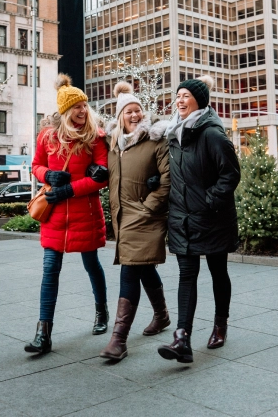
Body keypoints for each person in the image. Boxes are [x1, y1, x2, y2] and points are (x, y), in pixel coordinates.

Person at [158, 75, 241, 363]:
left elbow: (231, 174)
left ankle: (220, 323)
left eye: (185, 96)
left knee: (218, 271)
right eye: (177, 95)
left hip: (212, 217)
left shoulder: (212, 134)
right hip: (182, 219)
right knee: (187, 275)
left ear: (199, 101)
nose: (179, 100)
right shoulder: (175, 135)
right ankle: (182, 337)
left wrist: (209, 200)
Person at [25, 74, 109, 354]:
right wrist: (47, 173)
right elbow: (35, 165)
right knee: (50, 271)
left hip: (84, 214)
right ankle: (43, 333)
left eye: (84, 106)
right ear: (64, 111)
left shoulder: (96, 137)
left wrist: (68, 190)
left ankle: (102, 312)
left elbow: (102, 178)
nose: (82, 111)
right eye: (76, 107)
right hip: (54, 217)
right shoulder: (47, 137)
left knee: (92, 265)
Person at [99, 81, 171, 361]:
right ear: (120, 116)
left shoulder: (156, 140)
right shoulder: (114, 144)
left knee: (129, 270)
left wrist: (148, 207)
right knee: (143, 268)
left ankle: (118, 339)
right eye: (128, 111)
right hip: (123, 217)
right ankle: (162, 315)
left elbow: (167, 179)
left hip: (145, 217)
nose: (135, 115)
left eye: (138, 110)